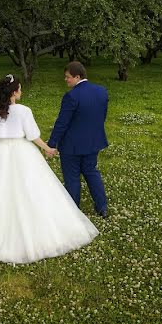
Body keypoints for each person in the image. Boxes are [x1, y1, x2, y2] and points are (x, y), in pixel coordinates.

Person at [0, 74, 98, 264]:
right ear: (14, 92)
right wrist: (47, 148)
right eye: (20, 89)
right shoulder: (24, 111)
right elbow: (32, 135)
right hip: (23, 152)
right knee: (31, 189)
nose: (21, 92)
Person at [47, 61, 109, 218]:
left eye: (68, 77)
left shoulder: (71, 96)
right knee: (91, 172)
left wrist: (52, 143)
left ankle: (73, 211)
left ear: (77, 76)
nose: (65, 80)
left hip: (72, 146)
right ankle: (102, 207)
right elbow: (102, 116)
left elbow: (62, 122)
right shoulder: (102, 91)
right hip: (93, 141)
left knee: (72, 177)